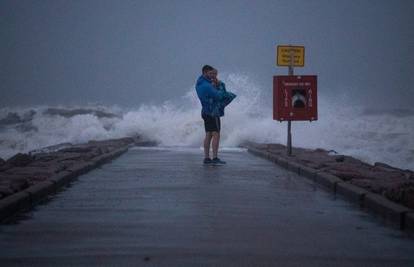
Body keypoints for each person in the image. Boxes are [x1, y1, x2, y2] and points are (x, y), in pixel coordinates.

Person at [195, 65, 236, 165]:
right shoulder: (207, 85)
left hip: (205, 111)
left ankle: (206, 158)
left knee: (208, 134)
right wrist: (221, 85)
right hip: (212, 112)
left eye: (214, 74)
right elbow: (219, 96)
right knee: (216, 134)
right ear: (205, 72)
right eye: (210, 73)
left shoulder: (200, 83)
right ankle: (215, 158)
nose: (212, 76)